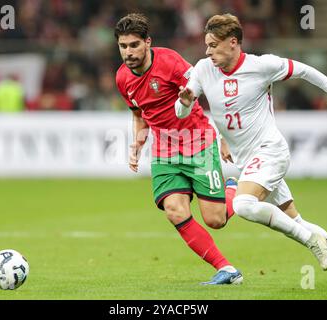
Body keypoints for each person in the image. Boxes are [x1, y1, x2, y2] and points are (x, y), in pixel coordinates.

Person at [175, 13, 327, 290]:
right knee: (295, 219)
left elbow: (306, 71)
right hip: (247, 160)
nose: (208, 51)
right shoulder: (203, 69)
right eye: (206, 45)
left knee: (242, 205)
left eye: (213, 45)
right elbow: (182, 112)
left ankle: (312, 242)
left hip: (269, 151)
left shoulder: (263, 65)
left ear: (233, 42)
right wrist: (184, 103)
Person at [114, 13, 242, 285]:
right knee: (174, 210)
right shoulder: (122, 78)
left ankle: (234, 190)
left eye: (134, 45)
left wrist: (223, 135)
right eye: (123, 46)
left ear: (147, 42)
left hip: (197, 142)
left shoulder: (170, 62)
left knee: (215, 220)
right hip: (164, 151)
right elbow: (139, 112)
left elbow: (209, 90)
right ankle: (227, 269)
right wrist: (138, 140)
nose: (129, 52)